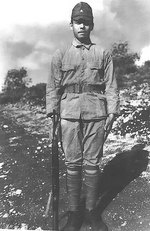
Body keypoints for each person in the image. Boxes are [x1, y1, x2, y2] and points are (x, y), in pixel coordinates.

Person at [46, 2, 120, 231]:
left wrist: (112, 111)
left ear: (92, 25)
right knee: (73, 164)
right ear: (71, 25)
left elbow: (111, 86)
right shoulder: (60, 54)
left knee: (93, 164)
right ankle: (74, 214)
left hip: (96, 114)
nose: (82, 26)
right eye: (78, 22)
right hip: (68, 115)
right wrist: (52, 114)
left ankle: (92, 214)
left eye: (86, 22)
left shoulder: (103, 53)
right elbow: (52, 88)